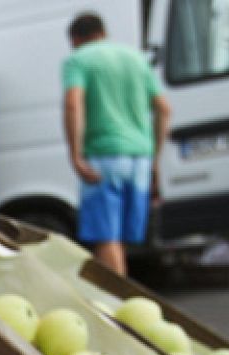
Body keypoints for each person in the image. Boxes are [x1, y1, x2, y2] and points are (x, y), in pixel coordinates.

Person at [63, 13, 171, 276]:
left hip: (104, 156)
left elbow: (73, 103)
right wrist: (155, 159)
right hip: (140, 158)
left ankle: (115, 306)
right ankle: (118, 301)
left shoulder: (79, 60)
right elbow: (164, 109)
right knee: (119, 238)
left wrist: (75, 155)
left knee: (106, 237)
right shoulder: (137, 59)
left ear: (76, 39)